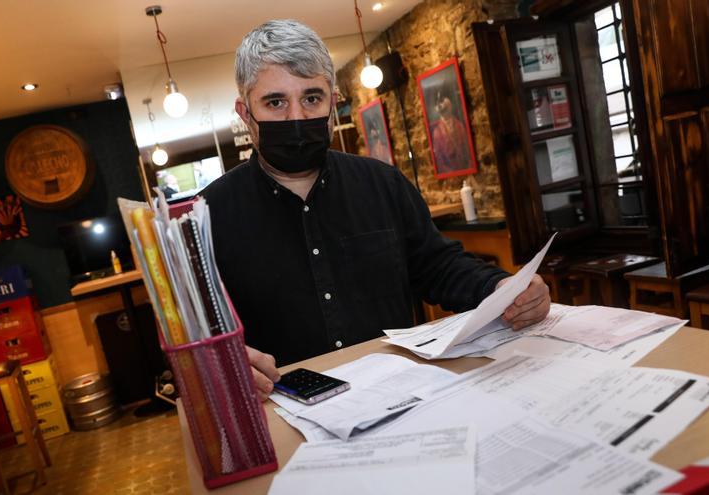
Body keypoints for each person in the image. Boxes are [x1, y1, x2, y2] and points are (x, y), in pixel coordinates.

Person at [201, 20, 550, 400]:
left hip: (398, 395)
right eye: (275, 102)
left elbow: (437, 266)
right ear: (245, 111)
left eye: (312, 98)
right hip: (282, 407)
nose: (297, 118)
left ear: (334, 104)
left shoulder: (384, 184)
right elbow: (200, 332)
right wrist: (221, 362)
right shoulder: (208, 215)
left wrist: (502, 289)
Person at [430, 90, 472, 174]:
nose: (441, 105)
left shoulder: (460, 126)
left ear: (450, 105)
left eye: (443, 102)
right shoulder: (436, 132)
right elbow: (439, 158)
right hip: (449, 172)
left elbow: (467, 150)